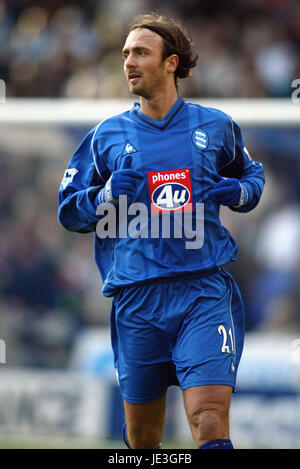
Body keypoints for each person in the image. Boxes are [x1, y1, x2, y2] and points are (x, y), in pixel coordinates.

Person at [58, 13, 265, 449]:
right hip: (137, 298)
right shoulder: (105, 137)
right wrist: (104, 197)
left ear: (171, 63)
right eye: (125, 54)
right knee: (143, 438)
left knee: (208, 420)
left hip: (202, 292)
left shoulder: (216, 127)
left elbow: (253, 179)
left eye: (140, 53)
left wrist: (237, 191)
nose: (129, 62)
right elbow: (69, 212)